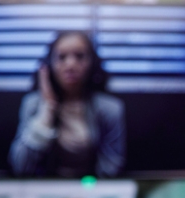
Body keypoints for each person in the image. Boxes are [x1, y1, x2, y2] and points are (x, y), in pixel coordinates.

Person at [9, 31, 125, 178]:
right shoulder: (33, 104)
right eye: (62, 57)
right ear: (49, 64)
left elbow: (111, 169)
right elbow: (20, 167)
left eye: (80, 56)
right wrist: (48, 110)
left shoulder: (110, 109)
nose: (70, 64)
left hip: (90, 193)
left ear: (92, 62)